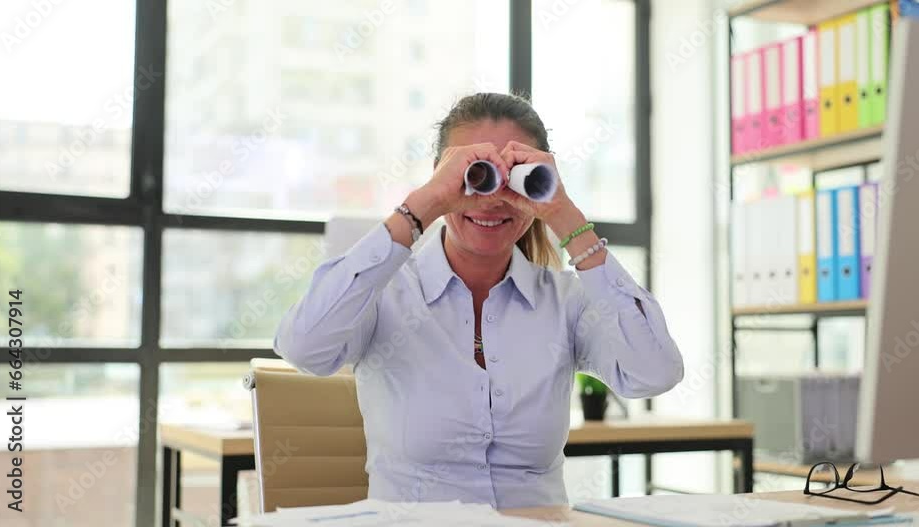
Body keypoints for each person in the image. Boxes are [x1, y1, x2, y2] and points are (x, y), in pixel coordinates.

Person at [274, 92, 684, 509]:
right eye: (476, 175)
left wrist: (565, 214)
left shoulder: (564, 302)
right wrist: (424, 204)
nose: (491, 199)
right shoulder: (387, 294)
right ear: (443, 177)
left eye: (517, 177)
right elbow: (305, 347)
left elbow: (654, 372)